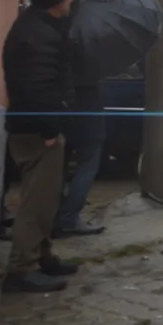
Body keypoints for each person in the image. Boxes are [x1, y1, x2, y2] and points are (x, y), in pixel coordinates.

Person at [1, 0, 79, 293]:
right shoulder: (36, 34)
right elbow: (36, 87)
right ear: (56, 1)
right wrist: (49, 127)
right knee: (36, 202)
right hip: (37, 130)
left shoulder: (38, 27)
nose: (72, 2)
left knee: (46, 198)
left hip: (37, 124)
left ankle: (43, 256)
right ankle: (21, 269)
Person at [53, 48, 106, 238]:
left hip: (63, 112)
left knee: (58, 166)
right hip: (88, 113)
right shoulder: (93, 43)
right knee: (87, 166)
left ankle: (56, 213)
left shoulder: (56, 40)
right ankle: (68, 218)